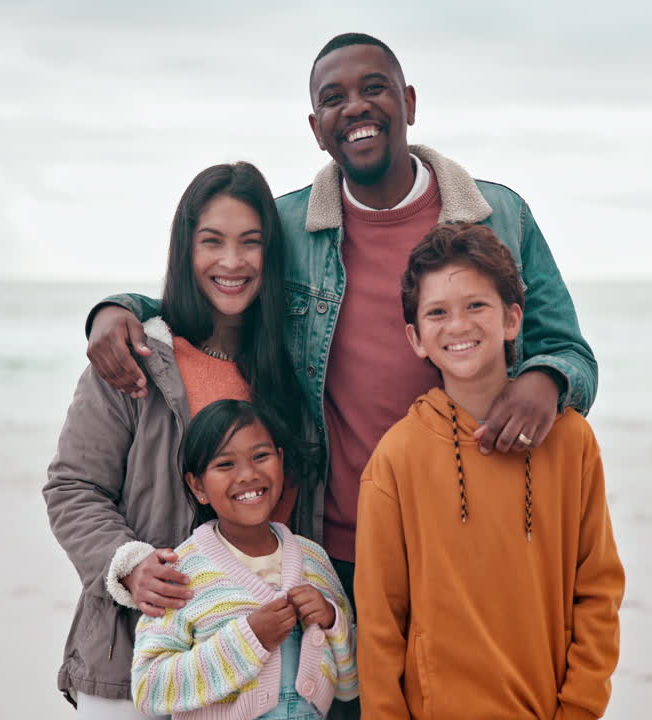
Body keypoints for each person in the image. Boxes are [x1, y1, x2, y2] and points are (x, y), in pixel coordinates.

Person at [84, 32, 597, 605]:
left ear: (409, 102)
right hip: (338, 550)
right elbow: (215, 290)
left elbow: (571, 352)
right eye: (333, 98)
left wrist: (546, 379)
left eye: (373, 88)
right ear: (316, 127)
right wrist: (120, 310)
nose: (354, 106)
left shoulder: (500, 214)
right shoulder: (292, 227)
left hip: (474, 529)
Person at [43, 162, 315, 718]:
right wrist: (130, 565)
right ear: (184, 251)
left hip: (261, 676)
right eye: (211, 242)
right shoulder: (135, 357)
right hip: (138, 664)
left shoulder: (291, 374)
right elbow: (72, 487)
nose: (232, 262)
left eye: (251, 242)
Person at [354, 223, 624, 719]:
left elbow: (598, 594)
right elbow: (378, 629)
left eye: (476, 305)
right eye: (437, 312)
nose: (457, 326)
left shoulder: (571, 443)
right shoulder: (395, 461)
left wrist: (580, 709)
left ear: (512, 319)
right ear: (416, 338)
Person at [132, 399, 357, 720]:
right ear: (198, 486)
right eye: (225, 464)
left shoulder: (314, 560)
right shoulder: (181, 573)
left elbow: (351, 685)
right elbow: (148, 688)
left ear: (281, 460)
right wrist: (249, 639)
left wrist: (332, 621)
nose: (248, 474)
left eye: (261, 456)